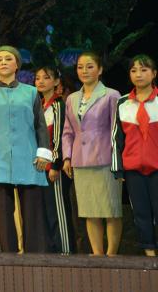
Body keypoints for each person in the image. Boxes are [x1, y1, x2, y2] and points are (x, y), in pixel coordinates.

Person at [0, 45, 51, 253]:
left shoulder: (31, 92)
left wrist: (43, 151)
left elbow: (40, 125)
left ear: (17, 64)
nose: (3, 63)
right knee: (3, 212)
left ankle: (34, 256)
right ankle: (8, 256)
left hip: (28, 157)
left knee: (32, 211)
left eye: (8, 59)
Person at [62, 51, 122, 256]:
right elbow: (67, 132)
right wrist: (67, 157)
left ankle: (112, 256)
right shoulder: (72, 98)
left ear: (100, 69)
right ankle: (97, 256)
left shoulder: (111, 95)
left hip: (106, 159)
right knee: (90, 211)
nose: (84, 71)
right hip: (80, 161)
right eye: (80, 67)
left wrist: (118, 160)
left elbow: (117, 130)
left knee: (111, 210)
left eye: (90, 66)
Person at [113, 55, 158, 256]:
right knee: (140, 212)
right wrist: (118, 168)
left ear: (154, 74)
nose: (138, 74)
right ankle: (149, 254)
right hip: (133, 170)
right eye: (134, 70)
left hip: (157, 167)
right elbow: (116, 137)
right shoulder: (122, 102)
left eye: (144, 70)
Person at [36, 65, 76, 254]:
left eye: (46, 77)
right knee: (47, 212)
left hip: (54, 168)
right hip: (41, 168)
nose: (41, 81)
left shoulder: (58, 105)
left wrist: (55, 165)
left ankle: (66, 252)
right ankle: (52, 253)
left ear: (56, 82)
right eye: (38, 78)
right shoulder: (39, 106)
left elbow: (59, 137)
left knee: (59, 212)